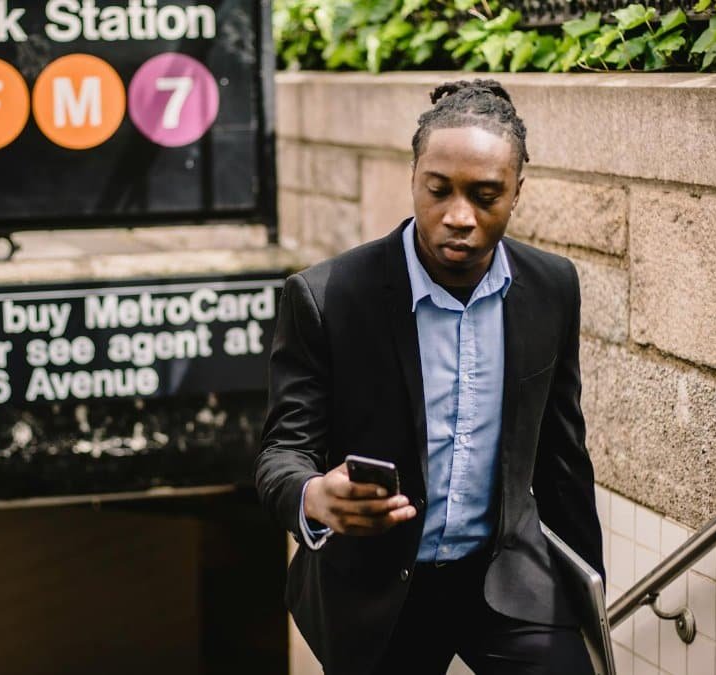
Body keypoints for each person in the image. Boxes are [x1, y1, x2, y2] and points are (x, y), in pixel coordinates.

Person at [255, 79, 604, 675]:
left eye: (486, 194)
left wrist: (590, 594)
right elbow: (282, 453)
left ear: (518, 190)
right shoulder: (326, 297)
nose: (458, 218)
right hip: (378, 591)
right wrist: (316, 498)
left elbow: (563, 455)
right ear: (414, 176)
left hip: (507, 579)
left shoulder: (552, 287)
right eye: (437, 190)